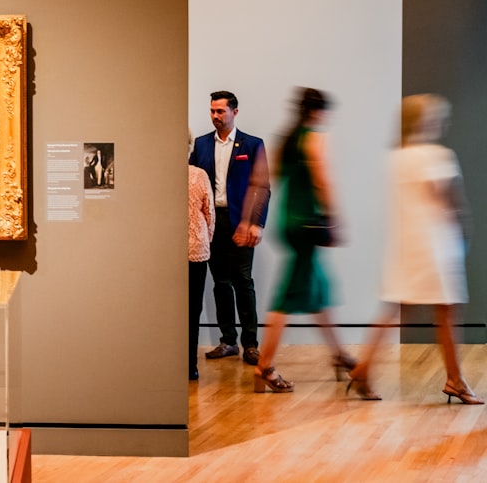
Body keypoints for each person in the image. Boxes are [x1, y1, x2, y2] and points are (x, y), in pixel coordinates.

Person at [348, 95, 481, 403]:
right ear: (425, 121)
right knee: (447, 311)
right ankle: (455, 380)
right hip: (437, 245)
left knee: (396, 308)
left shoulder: (396, 156)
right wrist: (465, 228)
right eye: (436, 117)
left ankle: (364, 369)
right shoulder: (436, 156)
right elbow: (450, 201)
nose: (441, 122)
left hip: (407, 244)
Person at [252, 88, 356, 393]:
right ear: (317, 111)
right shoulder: (312, 137)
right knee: (287, 298)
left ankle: (338, 354)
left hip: (290, 222)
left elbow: (265, 179)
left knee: (319, 290)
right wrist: (334, 217)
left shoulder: (287, 138)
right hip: (308, 224)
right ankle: (264, 367)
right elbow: (323, 178)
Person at [189, 90, 270, 366]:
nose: (215, 116)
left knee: (243, 282)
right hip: (212, 223)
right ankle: (227, 341)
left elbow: (263, 188)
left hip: (242, 222)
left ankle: (250, 344)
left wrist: (257, 223)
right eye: (212, 111)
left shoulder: (252, 145)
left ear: (235, 112)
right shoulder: (200, 145)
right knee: (220, 283)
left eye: (220, 111)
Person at [188, 129, 215, 381]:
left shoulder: (158, 176)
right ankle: (190, 365)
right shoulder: (199, 175)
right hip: (196, 250)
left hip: (165, 253)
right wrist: (206, 239)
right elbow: (210, 214)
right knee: (193, 309)